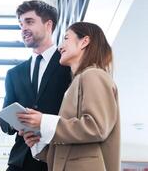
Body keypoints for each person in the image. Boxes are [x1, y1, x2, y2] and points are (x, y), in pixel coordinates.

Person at [17, 22, 120, 171]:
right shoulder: (78, 82)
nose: (60, 47)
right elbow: (69, 151)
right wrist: (38, 141)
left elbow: (96, 127)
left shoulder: (93, 75)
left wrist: (44, 121)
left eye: (66, 38)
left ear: (84, 41)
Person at [0, 0, 71, 171]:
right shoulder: (14, 74)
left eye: (29, 22)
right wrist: (16, 124)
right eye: (21, 24)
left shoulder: (68, 65)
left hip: (56, 159)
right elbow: (3, 121)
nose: (23, 28)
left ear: (48, 25)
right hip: (20, 161)